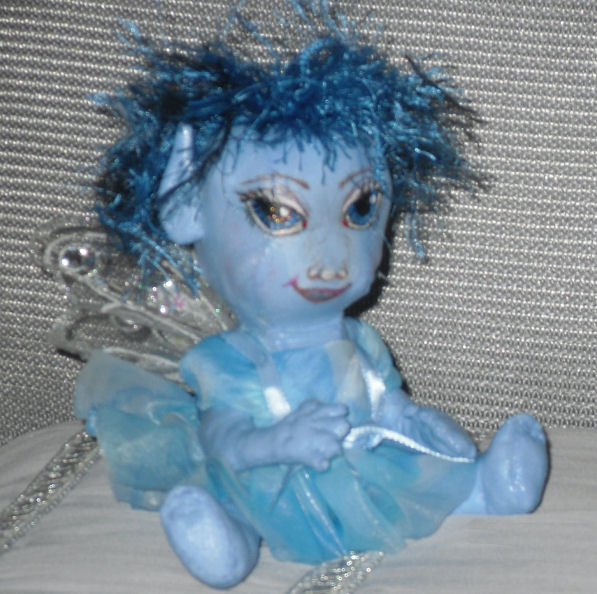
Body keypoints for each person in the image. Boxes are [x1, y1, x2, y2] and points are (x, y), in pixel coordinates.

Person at [75, 2, 548, 588]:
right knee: (239, 498)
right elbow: (220, 439)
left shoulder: (360, 340)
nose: (331, 256)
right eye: (276, 213)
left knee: (424, 477)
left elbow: (386, 404)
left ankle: (488, 486)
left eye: (359, 210)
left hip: (364, 464)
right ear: (188, 209)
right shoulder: (230, 359)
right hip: (271, 472)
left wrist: (423, 424)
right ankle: (229, 544)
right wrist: (277, 442)